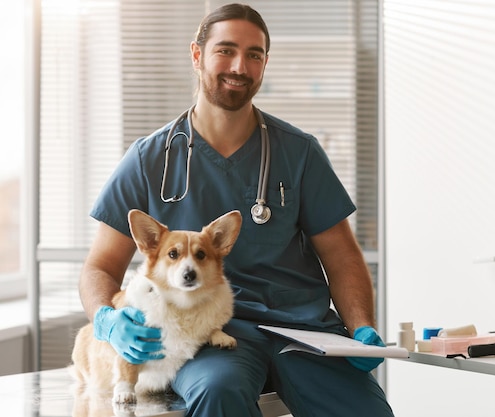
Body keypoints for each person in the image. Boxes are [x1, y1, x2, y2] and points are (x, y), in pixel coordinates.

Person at [78, 3, 395, 417]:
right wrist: (107, 321)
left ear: (265, 63)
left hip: (304, 333)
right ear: (197, 55)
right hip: (208, 334)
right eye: (225, 50)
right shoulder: (148, 159)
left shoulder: (299, 153)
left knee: (366, 412)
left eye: (254, 54)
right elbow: (100, 266)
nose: (239, 66)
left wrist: (361, 327)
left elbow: (342, 256)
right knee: (217, 393)